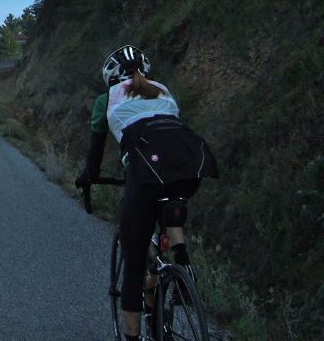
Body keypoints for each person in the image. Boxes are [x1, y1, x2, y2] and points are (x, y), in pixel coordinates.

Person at [75, 45, 217, 341]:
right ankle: (182, 263)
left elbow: (95, 154)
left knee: (135, 263)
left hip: (145, 174)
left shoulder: (106, 100)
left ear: (111, 77)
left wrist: (89, 177)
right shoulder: (162, 91)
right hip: (191, 164)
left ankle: (131, 337)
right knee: (171, 208)